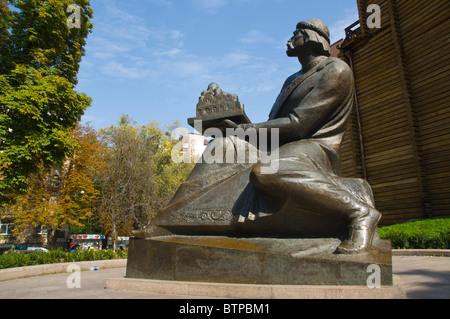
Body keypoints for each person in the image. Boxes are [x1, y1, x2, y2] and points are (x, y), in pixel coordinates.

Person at [139, 19, 381, 255]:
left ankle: (358, 212)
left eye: (295, 34)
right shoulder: (292, 80)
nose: (289, 40)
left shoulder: (336, 70)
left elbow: (299, 125)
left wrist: (243, 129)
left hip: (314, 148)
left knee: (267, 170)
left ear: (311, 38)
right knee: (221, 146)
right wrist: (233, 123)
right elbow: (275, 128)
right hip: (281, 145)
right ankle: (168, 220)